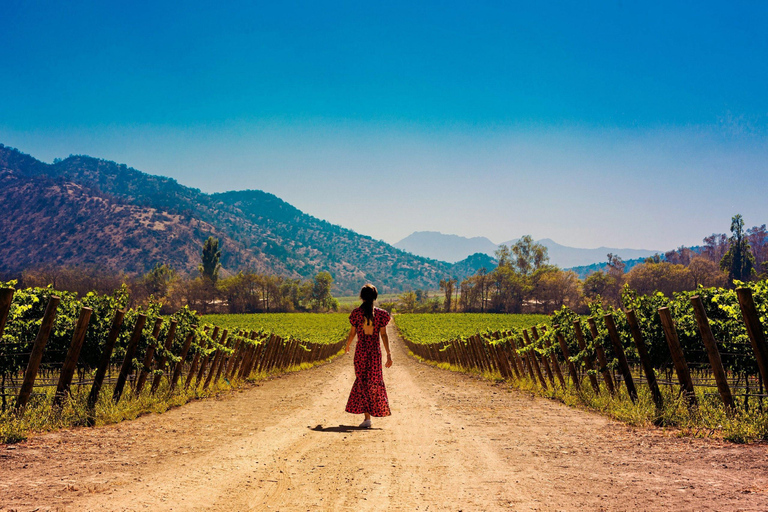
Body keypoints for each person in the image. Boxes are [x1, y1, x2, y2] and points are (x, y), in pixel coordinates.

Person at [344, 283, 392, 428]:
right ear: (375, 297)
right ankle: (370, 416)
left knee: (362, 381)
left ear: (362, 297)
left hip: (360, 352)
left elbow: (352, 333)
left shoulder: (356, 313)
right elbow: (383, 335)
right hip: (375, 353)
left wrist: (347, 346)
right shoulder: (382, 314)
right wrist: (389, 354)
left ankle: (367, 418)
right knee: (373, 382)